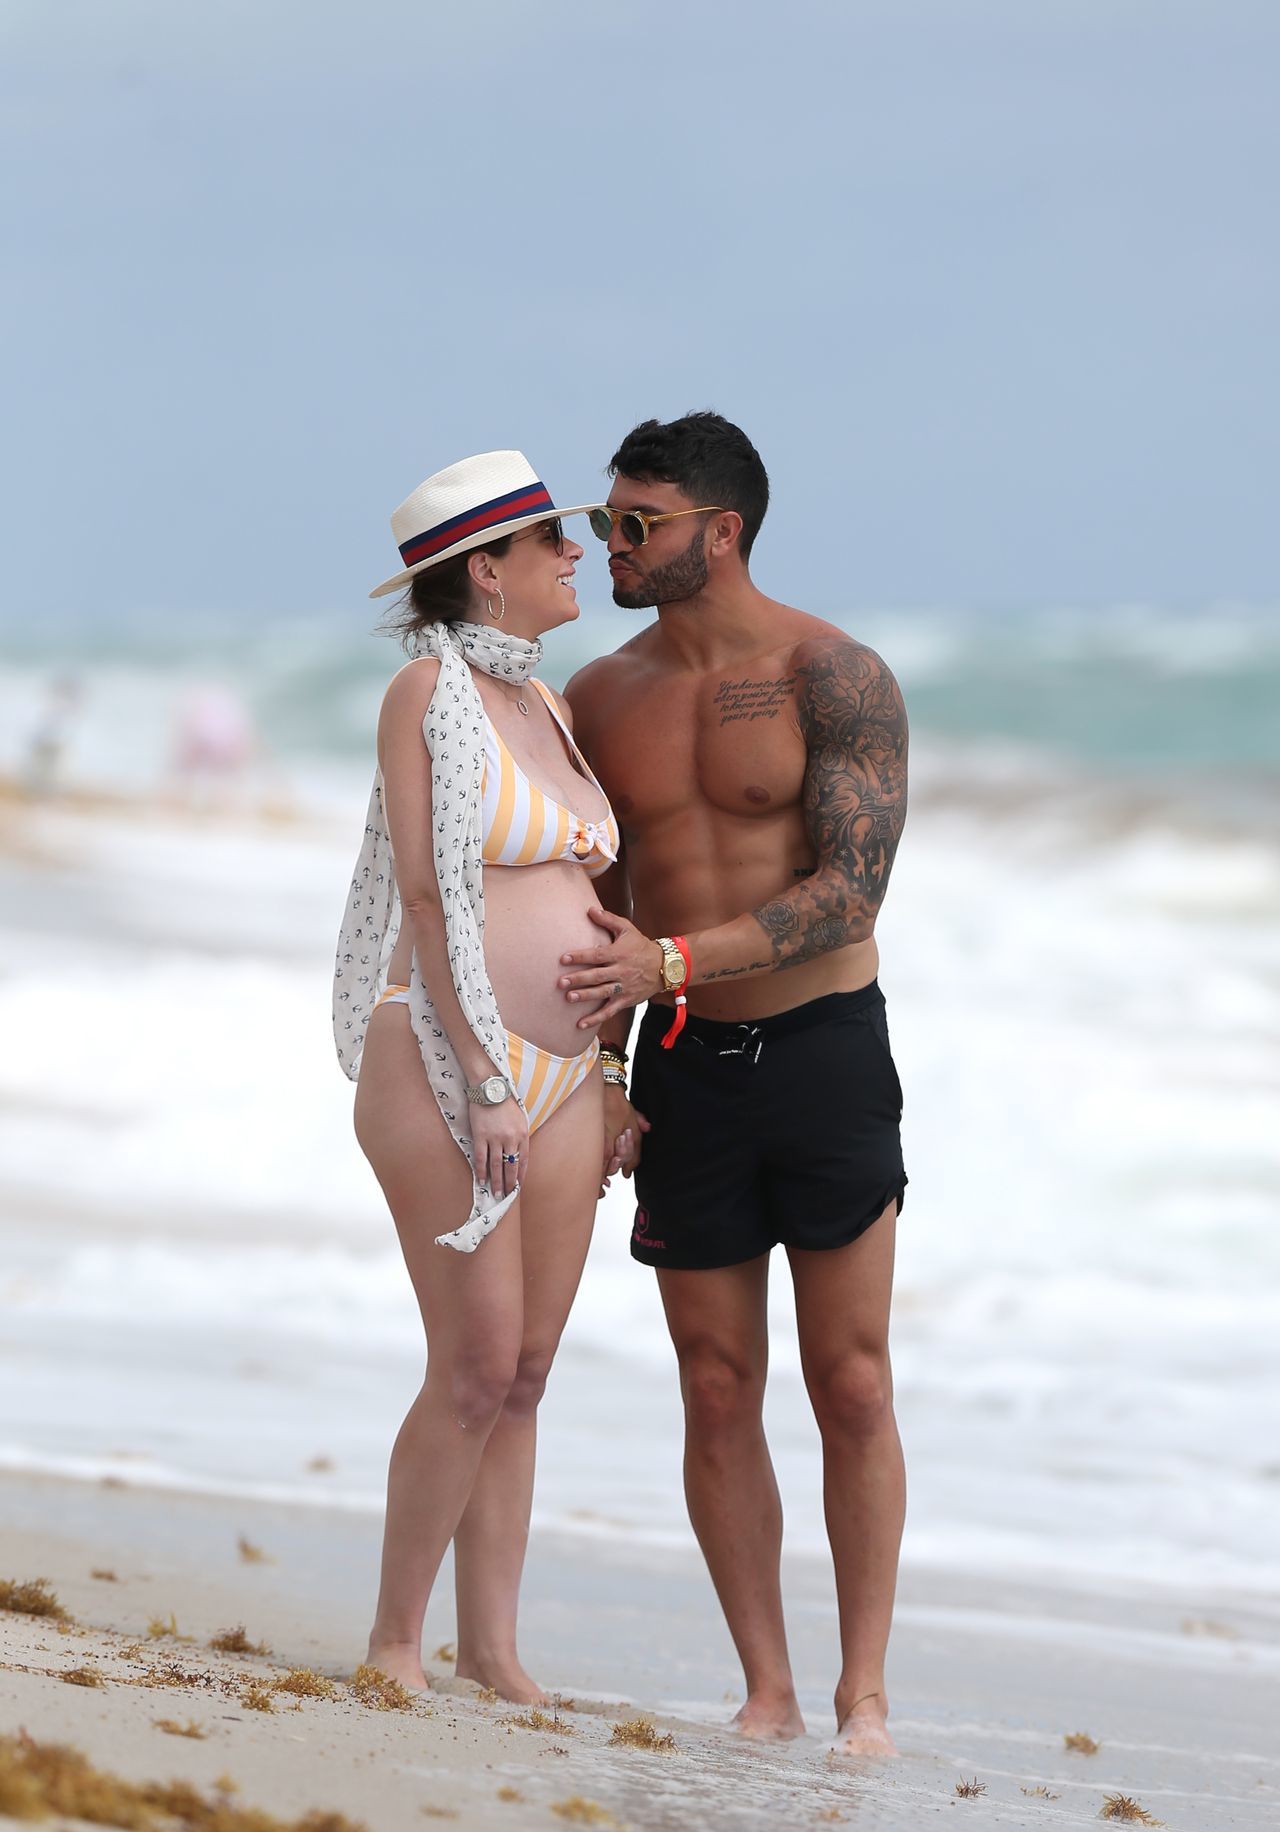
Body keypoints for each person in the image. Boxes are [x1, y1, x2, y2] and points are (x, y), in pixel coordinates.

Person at [559, 413, 910, 1756]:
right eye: (604, 521)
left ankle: (862, 1692)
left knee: (852, 1382)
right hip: (684, 1065)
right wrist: (603, 1072)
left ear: (721, 532)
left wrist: (675, 960)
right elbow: (599, 907)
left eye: (634, 522)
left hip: (823, 1050)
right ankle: (767, 1688)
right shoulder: (600, 699)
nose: (610, 544)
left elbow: (850, 893)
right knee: (714, 1384)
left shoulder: (834, 674)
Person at [333, 450, 625, 1702]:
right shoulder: (425, 691)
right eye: (552, 540)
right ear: (485, 570)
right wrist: (487, 1077)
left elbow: (577, 882)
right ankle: (394, 1640)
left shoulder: (546, 703)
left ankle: (491, 1650)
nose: (576, 554)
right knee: (473, 1360)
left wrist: (605, 1069)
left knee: (527, 1369)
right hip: (449, 1063)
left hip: (568, 1075)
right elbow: (424, 892)